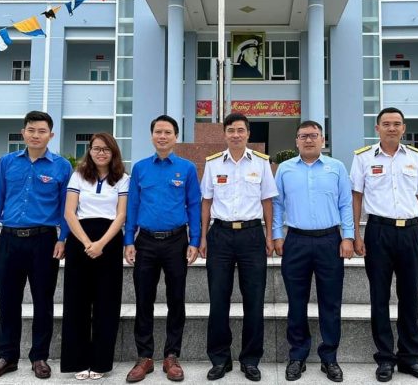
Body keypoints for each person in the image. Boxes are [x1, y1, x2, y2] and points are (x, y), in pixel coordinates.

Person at [0, 111, 72, 381]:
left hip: (44, 241)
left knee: (43, 301)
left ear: (51, 135)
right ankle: (7, 357)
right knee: (8, 300)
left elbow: (67, 206)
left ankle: (39, 356)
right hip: (9, 240)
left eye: (42, 131)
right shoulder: (7, 162)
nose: (36, 135)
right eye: (31, 130)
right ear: (23, 133)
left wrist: (63, 238)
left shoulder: (61, 166)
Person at [350, 107, 418, 383]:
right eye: (386, 123)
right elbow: (356, 198)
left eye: (396, 123)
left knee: (410, 296)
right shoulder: (363, 158)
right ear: (377, 128)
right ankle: (385, 358)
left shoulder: (416, 158)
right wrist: (356, 234)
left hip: (410, 232)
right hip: (378, 232)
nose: (391, 128)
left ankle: (410, 358)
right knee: (379, 296)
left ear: (403, 128)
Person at [272, 120, 354, 383]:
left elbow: (346, 203)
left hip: (330, 241)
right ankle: (297, 355)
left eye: (313, 135)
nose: (308, 140)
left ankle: (329, 357)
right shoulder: (285, 169)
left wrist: (348, 237)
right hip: (296, 241)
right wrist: (277, 235)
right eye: (303, 136)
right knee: (296, 302)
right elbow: (277, 205)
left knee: (330, 302)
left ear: (322, 139)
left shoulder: (336, 167)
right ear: (296, 141)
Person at [199, 113, 278, 382]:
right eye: (231, 130)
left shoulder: (261, 163)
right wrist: (203, 237)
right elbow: (206, 202)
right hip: (220, 235)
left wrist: (269, 236)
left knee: (254, 300)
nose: (236, 135)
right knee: (218, 299)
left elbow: (267, 201)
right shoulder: (213, 164)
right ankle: (220, 359)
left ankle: (250, 359)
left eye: (240, 130)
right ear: (224, 134)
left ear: (248, 134)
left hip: (252, 235)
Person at [124, 115, 201, 383]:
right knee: (143, 299)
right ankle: (144, 357)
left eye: (168, 132)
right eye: (158, 131)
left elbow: (194, 205)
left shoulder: (187, 168)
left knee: (176, 299)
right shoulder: (140, 168)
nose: (163, 136)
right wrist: (129, 240)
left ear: (175, 136)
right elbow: (132, 205)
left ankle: (172, 355)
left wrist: (194, 241)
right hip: (145, 241)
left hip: (176, 241)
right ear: (152, 136)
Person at [60, 132, 129, 380]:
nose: (101, 153)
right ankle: (77, 361)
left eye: (106, 149)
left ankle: (100, 362)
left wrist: (100, 244)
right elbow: (69, 212)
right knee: (76, 302)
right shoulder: (78, 176)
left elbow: (121, 215)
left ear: (113, 152)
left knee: (106, 303)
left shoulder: (123, 179)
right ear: (89, 151)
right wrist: (87, 242)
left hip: (109, 241)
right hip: (80, 240)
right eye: (96, 148)